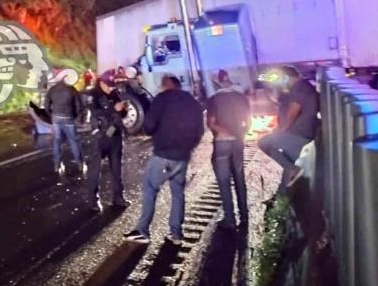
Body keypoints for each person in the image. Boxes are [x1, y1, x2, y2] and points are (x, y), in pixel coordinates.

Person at [125, 75, 204, 245]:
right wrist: (188, 147)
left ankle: (142, 230)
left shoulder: (162, 99)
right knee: (178, 193)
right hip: (182, 156)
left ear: (166, 86)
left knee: (150, 188)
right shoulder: (192, 102)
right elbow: (199, 131)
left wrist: (154, 133)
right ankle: (176, 233)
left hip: (163, 155)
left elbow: (149, 126)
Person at [258, 66, 320, 188]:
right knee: (274, 149)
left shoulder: (300, 88)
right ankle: (285, 188)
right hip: (300, 133)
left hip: (297, 134)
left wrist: (278, 131)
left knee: (264, 143)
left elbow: (292, 114)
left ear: (286, 77)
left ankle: (292, 169)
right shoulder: (302, 87)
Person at [207, 70, 250, 230]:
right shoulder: (241, 98)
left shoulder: (214, 99)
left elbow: (211, 123)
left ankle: (230, 219)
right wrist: (239, 134)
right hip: (238, 142)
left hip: (222, 143)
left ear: (218, 82)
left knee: (224, 181)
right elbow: (249, 121)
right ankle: (245, 216)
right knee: (239, 178)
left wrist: (223, 132)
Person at [87, 70, 129, 211]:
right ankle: (93, 200)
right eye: (109, 85)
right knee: (95, 169)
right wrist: (113, 109)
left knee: (116, 168)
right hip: (99, 137)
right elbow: (95, 113)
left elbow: (120, 113)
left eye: (113, 86)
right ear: (101, 82)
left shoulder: (114, 94)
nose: (112, 88)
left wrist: (123, 110)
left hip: (115, 135)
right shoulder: (92, 95)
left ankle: (118, 197)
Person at [45, 76, 86, 175]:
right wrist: (75, 116)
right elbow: (79, 106)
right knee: (73, 141)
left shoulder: (52, 90)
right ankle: (80, 163)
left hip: (56, 118)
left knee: (57, 141)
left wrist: (51, 115)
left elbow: (46, 105)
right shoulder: (71, 89)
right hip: (68, 118)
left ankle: (57, 164)